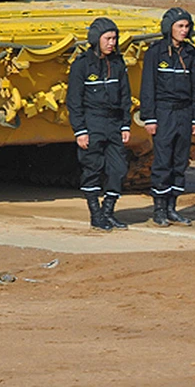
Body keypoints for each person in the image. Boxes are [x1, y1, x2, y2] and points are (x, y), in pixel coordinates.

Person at [67, 17, 132, 231]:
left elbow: (125, 95)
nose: (112, 43)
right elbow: (74, 100)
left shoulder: (117, 63)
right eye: (108, 38)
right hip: (92, 121)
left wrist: (125, 124)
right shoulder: (82, 65)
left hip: (114, 122)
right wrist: (80, 130)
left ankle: (108, 211)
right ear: (96, 39)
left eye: (114, 38)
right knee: (92, 168)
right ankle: (96, 214)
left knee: (119, 169)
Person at [139, 8, 195, 228]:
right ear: (169, 28)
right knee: (163, 162)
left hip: (184, 113)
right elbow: (148, 87)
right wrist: (149, 118)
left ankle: (172, 208)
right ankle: (159, 209)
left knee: (179, 162)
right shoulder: (156, 53)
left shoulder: (191, 54)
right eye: (180, 26)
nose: (184, 31)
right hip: (164, 112)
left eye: (186, 26)